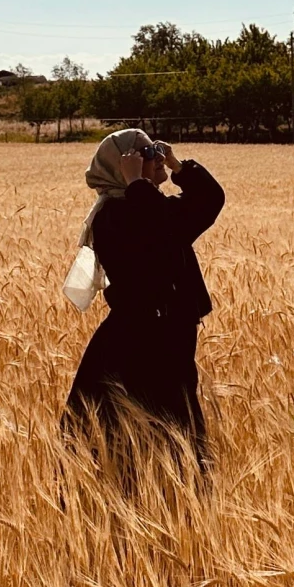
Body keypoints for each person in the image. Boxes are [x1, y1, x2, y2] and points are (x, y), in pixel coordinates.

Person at [64, 128, 225, 481]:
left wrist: (176, 165)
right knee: (147, 433)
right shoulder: (115, 217)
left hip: (167, 336)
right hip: (141, 342)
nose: (153, 157)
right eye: (143, 153)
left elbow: (210, 202)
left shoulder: (149, 207)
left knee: (175, 430)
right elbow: (155, 228)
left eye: (153, 149)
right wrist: (137, 183)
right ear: (121, 167)